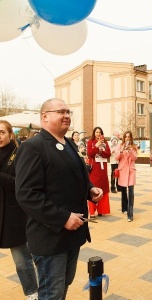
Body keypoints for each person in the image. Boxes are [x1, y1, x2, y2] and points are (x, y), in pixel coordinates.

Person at [15, 98, 103, 300]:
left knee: (62, 288)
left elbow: (75, 175)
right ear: (44, 117)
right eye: (61, 111)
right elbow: (27, 194)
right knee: (51, 294)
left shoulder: (69, 143)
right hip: (50, 238)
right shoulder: (33, 147)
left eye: (68, 111)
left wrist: (90, 189)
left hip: (73, 235)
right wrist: (63, 218)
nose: (67, 116)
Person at [0, 120, 38, 300]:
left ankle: (32, 292)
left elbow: (20, 184)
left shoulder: (19, 153)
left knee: (22, 260)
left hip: (13, 215)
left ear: (10, 135)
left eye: (1, 132)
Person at [87, 127, 111, 218]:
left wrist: (102, 152)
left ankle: (101, 210)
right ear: (94, 133)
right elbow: (90, 153)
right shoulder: (90, 142)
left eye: (100, 132)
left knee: (103, 188)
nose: (98, 134)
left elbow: (108, 154)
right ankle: (92, 211)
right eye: (96, 132)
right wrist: (96, 146)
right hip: (94, 169)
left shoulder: (105, 142)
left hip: (103, 169)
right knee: (94, 188)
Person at [115, 130, 138, 221]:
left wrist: (130, 150)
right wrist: (121, 150)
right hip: (123, 170)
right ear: (123, 138)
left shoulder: (134, 146)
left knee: (131, 192)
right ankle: (124, 208)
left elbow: (135, 158)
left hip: (131, 171)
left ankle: (130, 214)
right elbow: (116, 158)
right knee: (124, 191)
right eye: (126, 136)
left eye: (129, 137)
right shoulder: (119, 145)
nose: (127, 138)